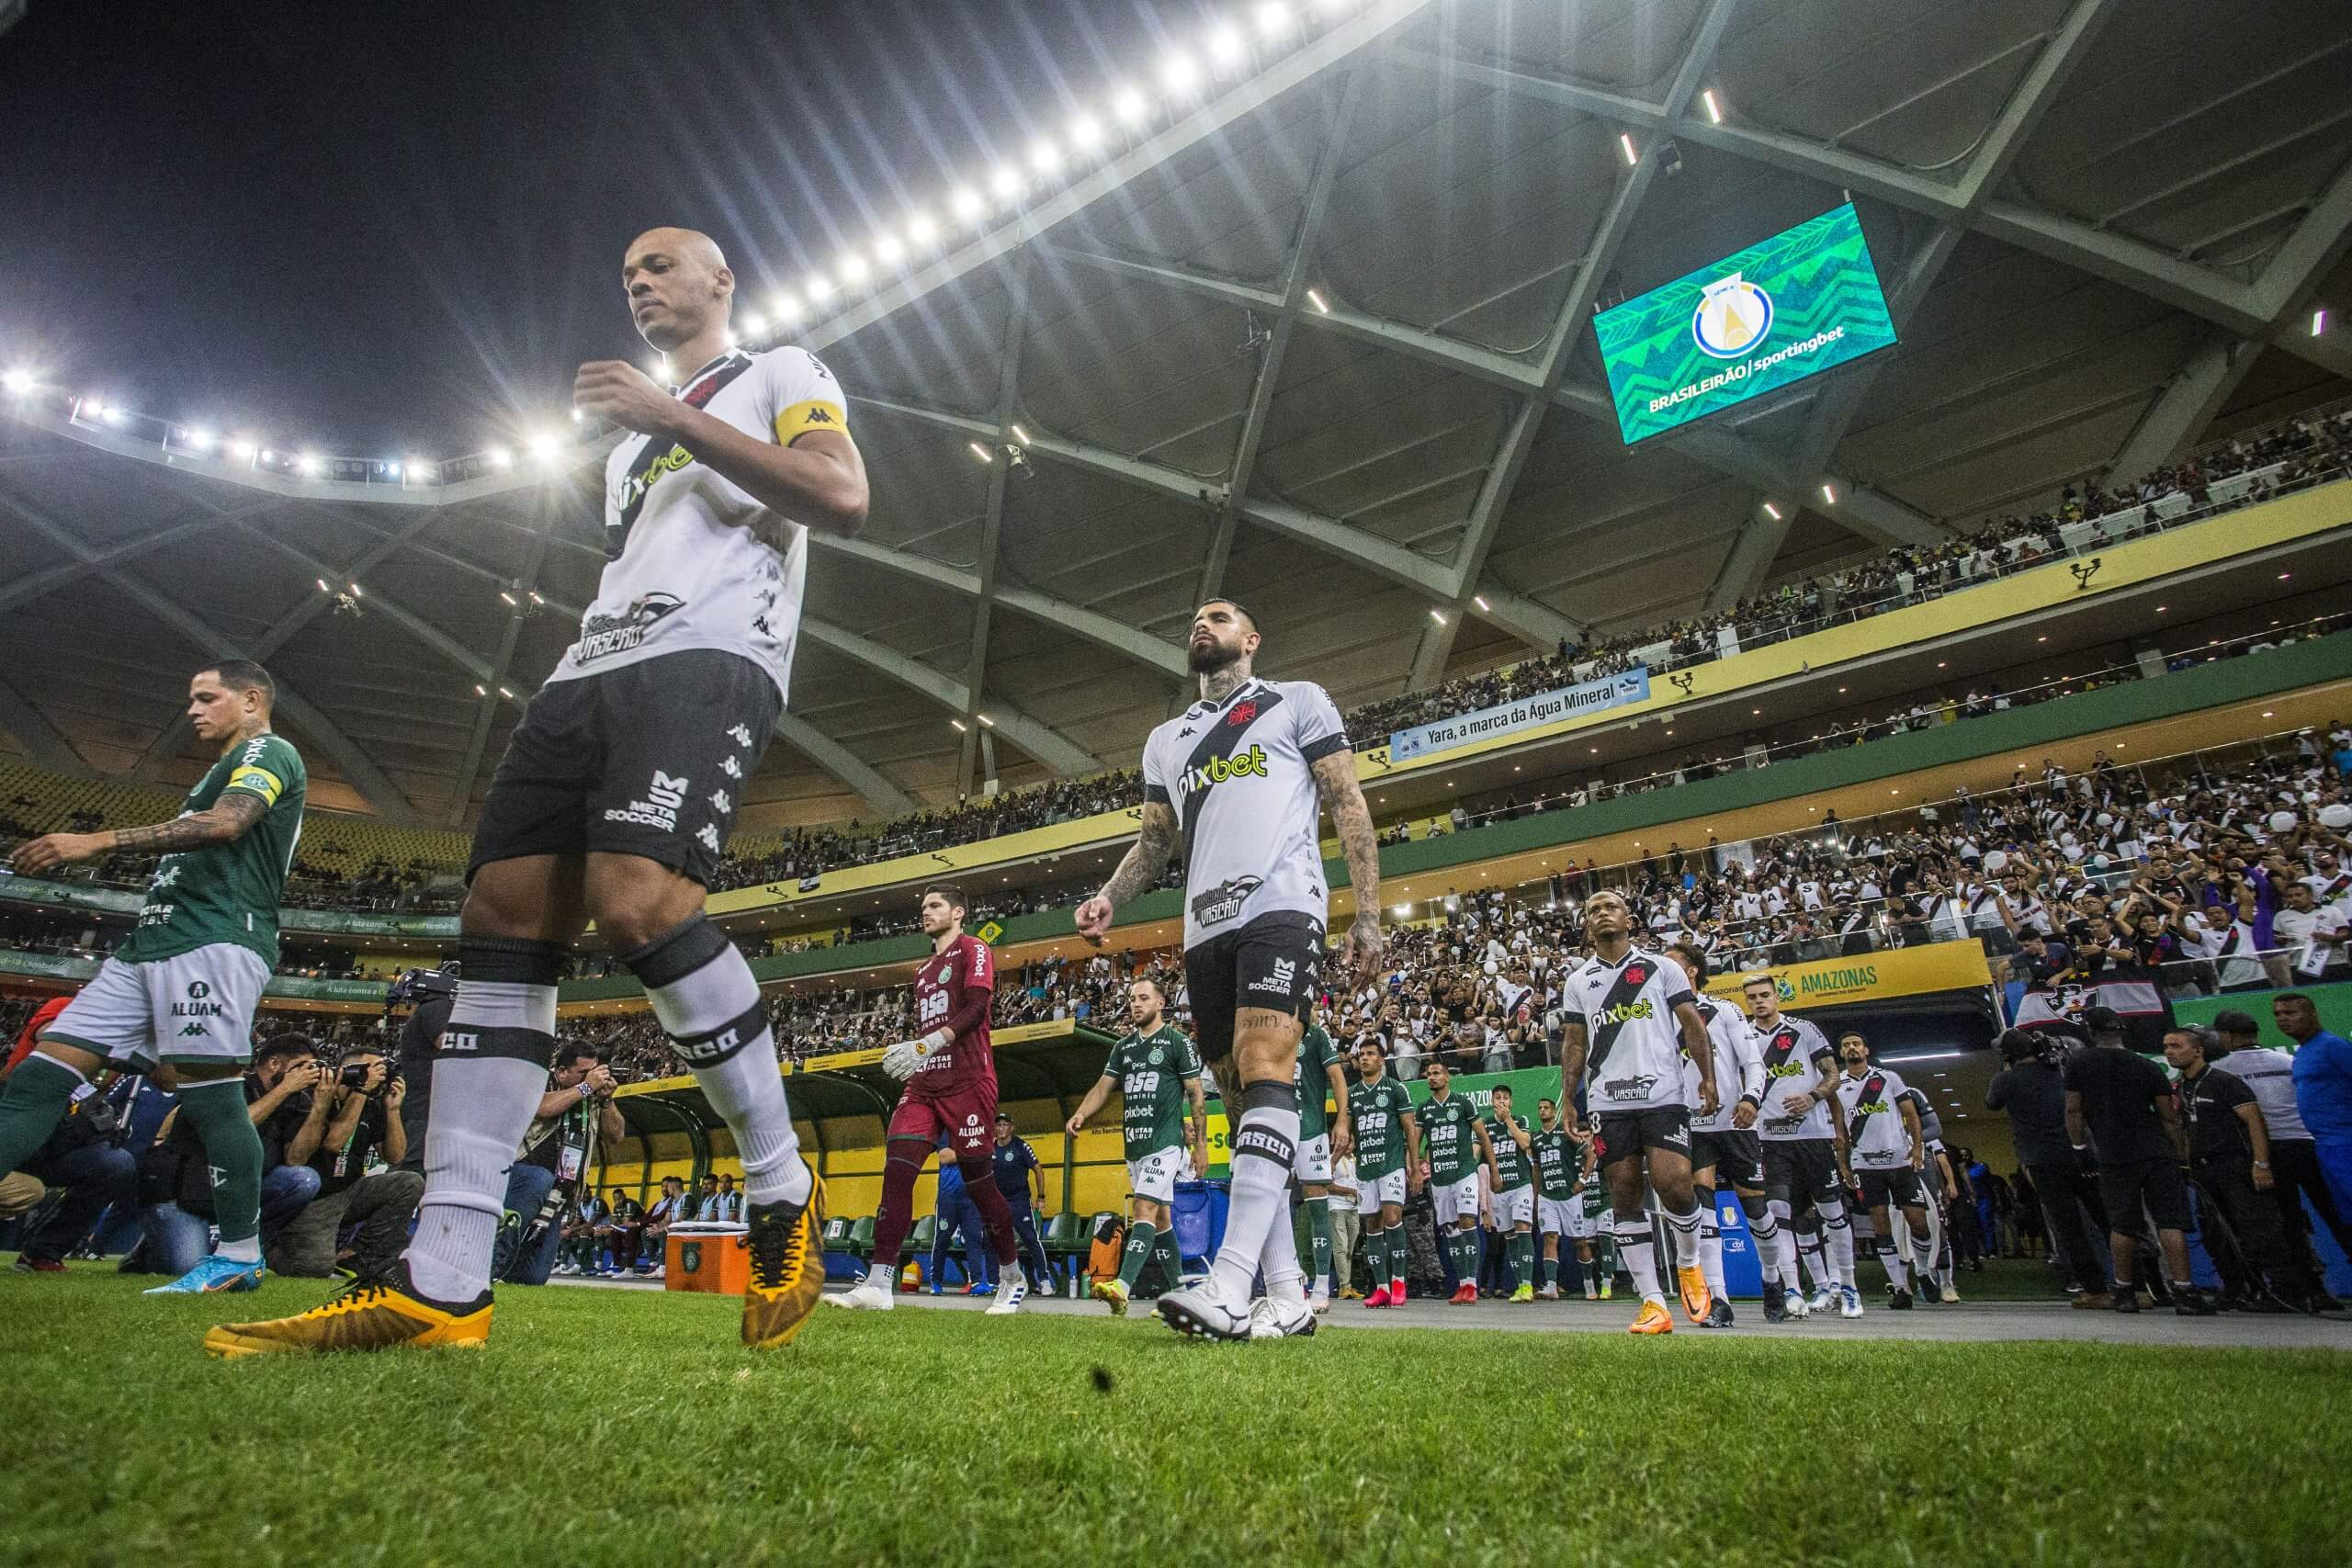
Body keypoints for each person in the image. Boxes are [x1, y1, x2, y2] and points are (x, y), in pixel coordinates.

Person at [212, 227, 864, 1357]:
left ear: (721, 280)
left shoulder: (780, 371)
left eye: (660, 266)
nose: (639, 283)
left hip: (709, 656)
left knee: (639, 903)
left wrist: (673, 418)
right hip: (588, 670)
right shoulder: (623, 454)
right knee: (502, 916)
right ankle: (443, 1280)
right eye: (627, 276)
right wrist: (653, 431)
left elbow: (839, 495)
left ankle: (779, 1186)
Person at [1072, 597, 1385, 1343]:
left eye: (1219, 616)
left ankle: (1230, 1280)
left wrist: (1368, 912)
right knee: (1242, 1105)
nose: (1202, 624)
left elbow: (1346, 799)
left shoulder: (1296, 701)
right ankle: (1286, 1295)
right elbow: (1156, 841)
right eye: (1196, 618)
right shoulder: (1165, 740)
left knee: (1265, 1060)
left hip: (1282, 903)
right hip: (1203, 928)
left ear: (1251, 638)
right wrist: (1109, 896)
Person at [0, 660, 305, 1294]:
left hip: (214, 940)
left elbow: (228, 823)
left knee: (213, 1100)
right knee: (39, 1077)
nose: (193, 709)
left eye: (207, 697)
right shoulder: (220, 769)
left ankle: (239, 1256)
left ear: (252, 699)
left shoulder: (268, 751)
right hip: (148, 946)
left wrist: (96, 841)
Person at [834, 885, 1028, 1315]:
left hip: (969, 1082)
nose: (925, 912)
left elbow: (976, 1009)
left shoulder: (974, 949)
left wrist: (927, 1044)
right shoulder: (922, 971)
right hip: (925, 1084)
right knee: (897, 1171)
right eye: (923, 907)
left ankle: (1012, 1276)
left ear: (958, 913)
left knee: (981, 1186)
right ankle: (879, 1282)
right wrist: (916, 1049)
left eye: (935, 905)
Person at [1559, 890, 1719, 1334]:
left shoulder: (1662, 967)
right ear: (1587, 926)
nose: (1602, 914)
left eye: (1610, 907)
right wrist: (1569, 1097)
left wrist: (1707, 1077)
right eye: (1593, 910)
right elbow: (1574, 1043)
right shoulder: (1579, 981)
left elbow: (1692, 1024)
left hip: (1663, 1094)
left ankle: (1689, 1262)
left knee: (1675, 1185)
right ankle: (1652, 1302)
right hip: (1608, 1102)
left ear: (1629, 919)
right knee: (1624, 1194)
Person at [1063, 976, 1203, 1315]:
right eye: (1132, 999)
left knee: (1143, 1208)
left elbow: (1196, 1093)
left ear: (1160, 1003)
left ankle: (1121, 1287)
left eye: (1143, 998)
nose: (1136, 1004)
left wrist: (1201, 1145)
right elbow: (1103, 1087)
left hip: (1166, 1144)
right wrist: (1081, 1113)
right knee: (1161, 1220)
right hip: (1135, 1146)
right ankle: (1180, 1298)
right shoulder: (1123, 1047)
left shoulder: (1176, 1042)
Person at [2063, 1007, 2214, 1314]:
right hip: (2156, 1150)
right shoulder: (2146, 1065)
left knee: (2122, 1226)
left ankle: (2125, 1292)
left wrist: (2079, 1147)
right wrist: (2181, 1157)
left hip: (2114, 1153)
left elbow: (2073, 1109)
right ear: (2121, 1031)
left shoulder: (2079, 1063)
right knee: (2170, 1222)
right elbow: (2168, 1117)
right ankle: (2184, 1291)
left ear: (2091, 1032)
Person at [148, 1035, 329, 1279]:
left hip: (238, 1196)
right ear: (274, 1064)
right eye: (302, 1066)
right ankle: (148, 1250)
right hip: (187, 1195)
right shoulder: (226, 1086)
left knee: (303, 1180)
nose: (308, 1074)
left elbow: (296, 1159)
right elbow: (231, 1128)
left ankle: (247, 1246)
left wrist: (319, 1108)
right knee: (188, 1267)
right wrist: (285, 1088)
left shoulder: (294, 1101)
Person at [1667, 940, 1778, 1325]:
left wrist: (1751, 1099)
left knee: (1757, 1211)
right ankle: (1719, 1298)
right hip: (1692, 1127)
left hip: (1735, 1123)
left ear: (1692, 971)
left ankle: (1772, 1278)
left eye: (1672, 964)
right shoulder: (1661, 1018)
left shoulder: (1724, 1010)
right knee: (1703, 1207)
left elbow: (1754, 1063)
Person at [2163, 1027, 2310, 1312]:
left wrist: (2261, 1164)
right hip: (2204, 1172)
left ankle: (2288, 1292)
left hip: (2236, 1166)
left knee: (2259, 1228)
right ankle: (2236, 1289)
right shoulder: (2182, 1087)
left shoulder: (2224, 1082)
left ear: (2198, 1050)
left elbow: (2255, 1121)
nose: (2169, 1052)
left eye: (2176, 1046)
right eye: (2166, 1046)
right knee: (2215, 1233)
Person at [2210, 1008, 2349, 1301]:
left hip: (2269, 1150)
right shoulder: (2288, 1060)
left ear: (2226, 1036)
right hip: (2308, 1144)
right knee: (2336, 1214)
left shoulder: (2222, 1070)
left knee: (2287, 1221)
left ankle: (2311, 1289)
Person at [1743, 972, 1858, 1319]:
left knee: (1831, 1211)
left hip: (1813, 1137)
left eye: (1765, 995)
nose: (1759, 1002)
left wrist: (1812, 1097)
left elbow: (1833, 1075)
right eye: (1752, 997)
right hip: (1770, 1140)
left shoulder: (1804, 1030)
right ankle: (1793, 1289)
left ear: (1776, 997)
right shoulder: (1744, 1036)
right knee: (1779, 1213)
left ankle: (1848, 1287)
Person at [269, 1049, 421, 1280]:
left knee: (409, 1183)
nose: (379, 1077)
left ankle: (358, 1254)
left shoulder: (370, 1106)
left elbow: (394, 1156)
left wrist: (393, 1110)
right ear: (350, 1071)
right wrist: (361, 1091)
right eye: (373, 1070)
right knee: (313, 1268)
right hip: (314, 1198)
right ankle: (268, 1247)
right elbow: (334, 1143)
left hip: (349, 1191)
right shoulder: (318, 1096)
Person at [1986, 1028, 2111, 1307]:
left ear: (2007, 1056)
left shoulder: (2005, 1080)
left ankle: (2095, 1289)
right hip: (2080, 1153)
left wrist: (2006, 1071)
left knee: (2069, 1226)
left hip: (2043, 1159)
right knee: (2106, 1219)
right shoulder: (2061, 1071)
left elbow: (1992, 1103)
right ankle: (2135, 1284)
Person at [1831, 1031, 1928, 1309]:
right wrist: (1843, 1164)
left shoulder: (1889, 1078)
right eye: (1846, 1045)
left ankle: (1922, 1272)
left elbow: (1911, 1114)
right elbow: (1839, 1130)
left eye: (1856, 1044)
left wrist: (1918, 1147)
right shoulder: (1837, 1086)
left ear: (1866, 1050)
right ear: (1841, 1053)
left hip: (1899, 1160)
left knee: (1918, 1223)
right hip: (1865, 1163)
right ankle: (1900, 1288)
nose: (1851, 1048)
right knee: (1879, 1222)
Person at [513, 1048, 627, 1283]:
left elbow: (616, 1136)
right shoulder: (540, 1079)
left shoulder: (592, 1099)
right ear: (561, 1071)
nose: (592, 1077)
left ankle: (510, 1268)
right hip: (521, 1181)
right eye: (584, 1072)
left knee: (534, 1277)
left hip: (559, 1193)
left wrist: (606, 1100)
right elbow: (544, 1107)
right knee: (540, 1180)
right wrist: (585, 1087)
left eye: (594, 1071)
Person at [1347, 1040, 1422, 1307]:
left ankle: (1399, 1282)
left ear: (1381, 1060)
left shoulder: (1395, 1088)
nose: (1364, 1058)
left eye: (1370, 1054)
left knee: (1392, 1217)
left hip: (1391, 1165)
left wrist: (1414, 1168)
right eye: (1361, 1054)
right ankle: (1381, 1288)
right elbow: (1346, 1130)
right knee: (1372, 1225)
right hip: (1366, 1167)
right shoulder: (1353, 1093)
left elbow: (1410, 1129)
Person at [1419, 1059, 1494, 1305]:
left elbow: (1483, 1137)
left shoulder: (1462, 1102)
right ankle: (1462, 1284)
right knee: (1451, 1230)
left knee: (1467, 1222)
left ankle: (1472, 1284)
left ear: (1447, 1077)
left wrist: (1494, 1170)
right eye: (1428, 1074)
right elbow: (1415, 1140)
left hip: (1464, 1173)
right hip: (1440, 1178)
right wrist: (1415, 1169)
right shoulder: (1424, 1109)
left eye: (1436, 1073)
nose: (1432, 1077)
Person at [1293, 1011, 1351, 1312]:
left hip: (1311, 1130)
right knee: (1275, 1206)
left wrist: (1341, 1120)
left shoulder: (1315, 1034)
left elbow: (1337, 1077)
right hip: (1277, 1127)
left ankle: (1321, 1286)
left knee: (1317, 1205)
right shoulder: (1272, 1032)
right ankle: (1287, 1282)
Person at [2280, 993, 2352, 1225]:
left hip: (2346, 1143)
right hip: (2324, 1145)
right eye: (2277, 1014)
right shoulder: (2302, 1053)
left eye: (2290, 1013)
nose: (2282, 1018)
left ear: (2312, 1015)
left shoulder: (2333, 1046)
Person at [988, 1111, 1055, 1295]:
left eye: (1005, 1125)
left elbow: (1038, 1170)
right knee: (992, 1240)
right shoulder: (990, 1148)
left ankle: (1044, 1280)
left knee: (1030, 1239)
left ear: (1012, 1128)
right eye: (998, 1125)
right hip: (998, 1201)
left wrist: (1041, 1197)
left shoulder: (1021, 1146)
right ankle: (995, 1282)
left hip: (1019, 1200)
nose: (1001, 1128)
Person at [1484, 1083, 1537, 1302]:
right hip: (1499, 1190)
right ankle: (1520, 1286)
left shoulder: (1520, 1120)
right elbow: (1477, 1151)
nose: (1502, 1101)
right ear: (1492, 1101)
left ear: (1511, 1101)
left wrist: (1508, 1120)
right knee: (1510, 1236)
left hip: (1521, 1185)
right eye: (1498, 1098)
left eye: (1505, 1098)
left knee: (1523, 1228)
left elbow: (1525, 1143)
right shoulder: (1485, 1125)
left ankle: (1528, 1285)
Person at [639, 1176, 691, 1280]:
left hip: (686, 1230)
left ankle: (662, 1269)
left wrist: (662, 1229)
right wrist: (657, 1227)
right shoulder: (673, 1200)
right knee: (646, 1232)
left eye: (667, 1187)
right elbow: (667, 1219)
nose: (666, 1189)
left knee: (663, 1234)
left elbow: (681, 1219)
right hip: (674, 1229)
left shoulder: (687, 1198)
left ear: (672, 1187)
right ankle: (653, 1265)